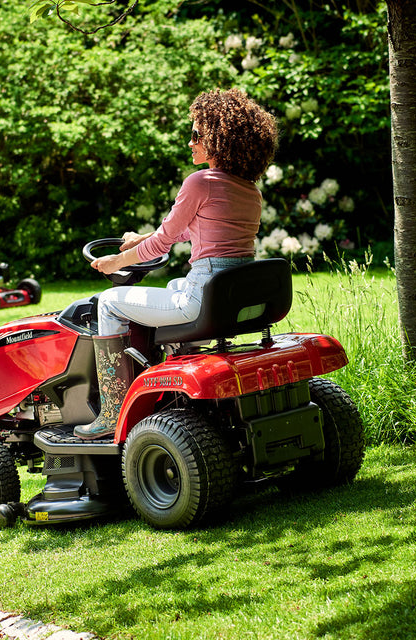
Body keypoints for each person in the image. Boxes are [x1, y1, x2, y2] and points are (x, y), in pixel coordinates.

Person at [74, 88, 278, 439]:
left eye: (197, 134)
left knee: (107, 303)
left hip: (205, 293)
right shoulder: (248, 190)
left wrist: (116, 262)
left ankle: (111, 411)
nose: (190, 142)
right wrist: (141, 239)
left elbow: (162, 242)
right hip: (231, 292)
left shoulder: (200, 182)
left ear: (219, 138)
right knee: (172, 286)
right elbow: (189, 230)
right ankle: (171, 383)